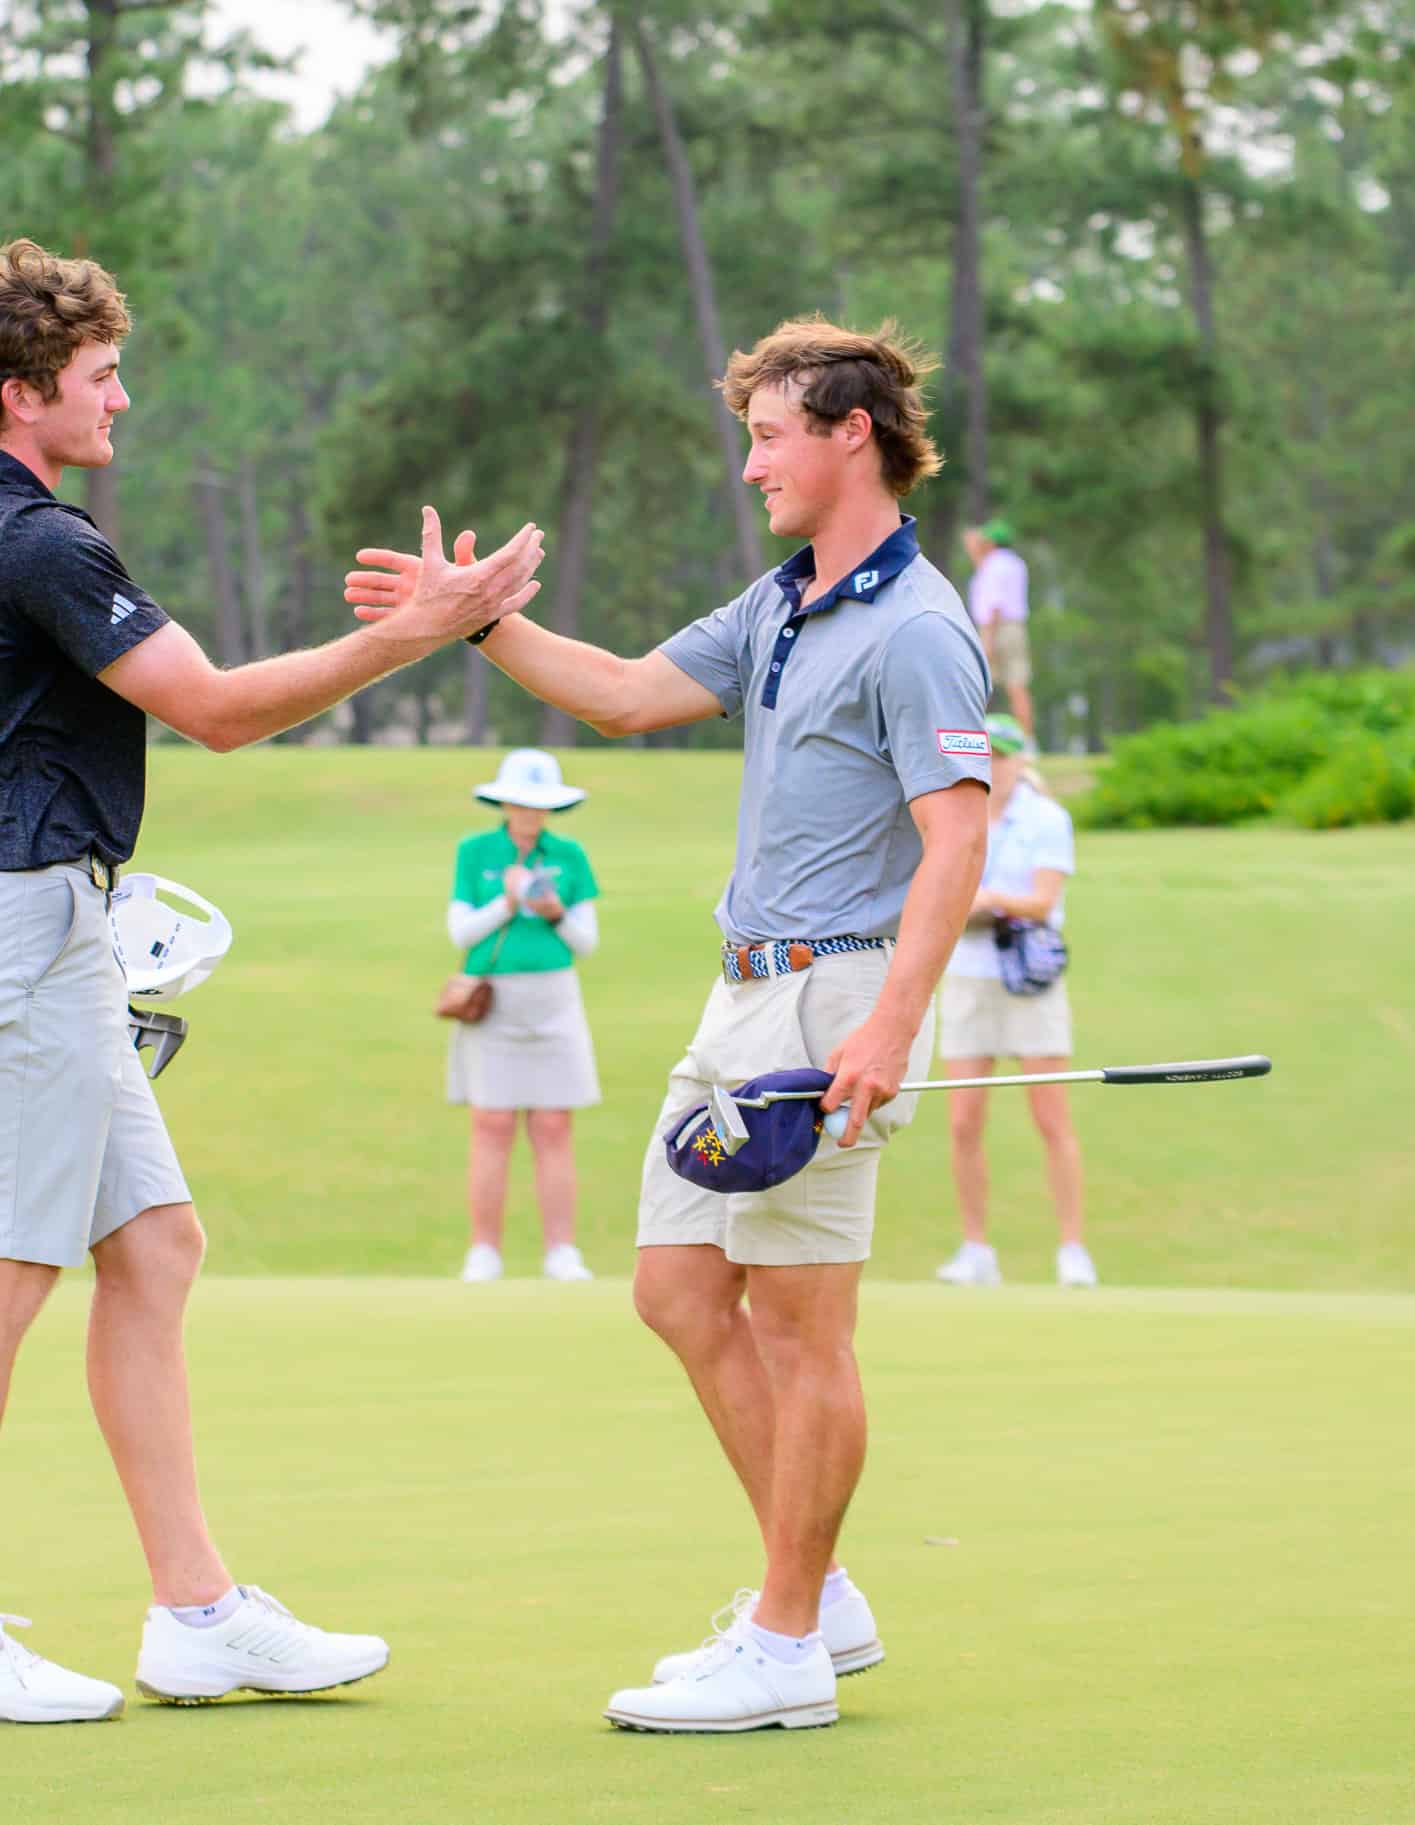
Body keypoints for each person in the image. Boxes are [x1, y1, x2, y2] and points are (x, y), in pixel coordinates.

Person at [0, 237, 544, 1723]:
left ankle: (196, 1610)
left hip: (26, 925)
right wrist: (408, 633)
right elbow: (210, 712)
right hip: (23, 936)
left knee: (152, 1249)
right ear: (23, 396)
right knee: (1, 1270)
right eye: (98, 379)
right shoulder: (36, 541)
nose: (122, 400)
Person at [347, 314, 990, 1734]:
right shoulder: (779, 606)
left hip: (835, 992)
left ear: (850, 436)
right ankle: (814, 1598)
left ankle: (784, 1645)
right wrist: (479, 621)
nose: (750, 462)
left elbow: (955, 845)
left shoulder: (920, 628)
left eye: (769, 435)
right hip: (744, 986)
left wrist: (887, 1028)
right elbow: (630, 695)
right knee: (677, 1288)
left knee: (803, 1324)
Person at [935, 713, 1092, 1288]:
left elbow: (1041, 902)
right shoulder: (957, 814)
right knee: (962, 1122)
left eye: (1001, 757)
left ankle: (1072, 1249)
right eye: (984, 757)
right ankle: (976, 1249)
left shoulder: (1046, 818)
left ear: (1020, 761)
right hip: (967, 978)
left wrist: (990, 899)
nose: (993, 767)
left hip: (1029, 981)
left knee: (1051, 1117)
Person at [445, 747, 603, 1284]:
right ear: (505, 802)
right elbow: (461, 933)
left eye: (538, 805)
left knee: (554, 1125)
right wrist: (508, 904)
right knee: (490, 1123)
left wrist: (555, 912)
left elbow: (585, 942)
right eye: (520, 803)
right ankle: (483, 1252)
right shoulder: (475, 851)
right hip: (494, 997)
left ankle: (561, 1251)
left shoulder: (571, 855)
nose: (529, 814)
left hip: (554, 996)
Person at [962, 516, 1033, 736]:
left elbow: (994, 604)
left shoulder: (992, 565)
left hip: (995, 628)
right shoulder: (1015, 563)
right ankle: (1027, 743)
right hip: (1016, 628)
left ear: (991, 544)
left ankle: (972, 735)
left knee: (979, 685)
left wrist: (988, 640)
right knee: (1017, 686)